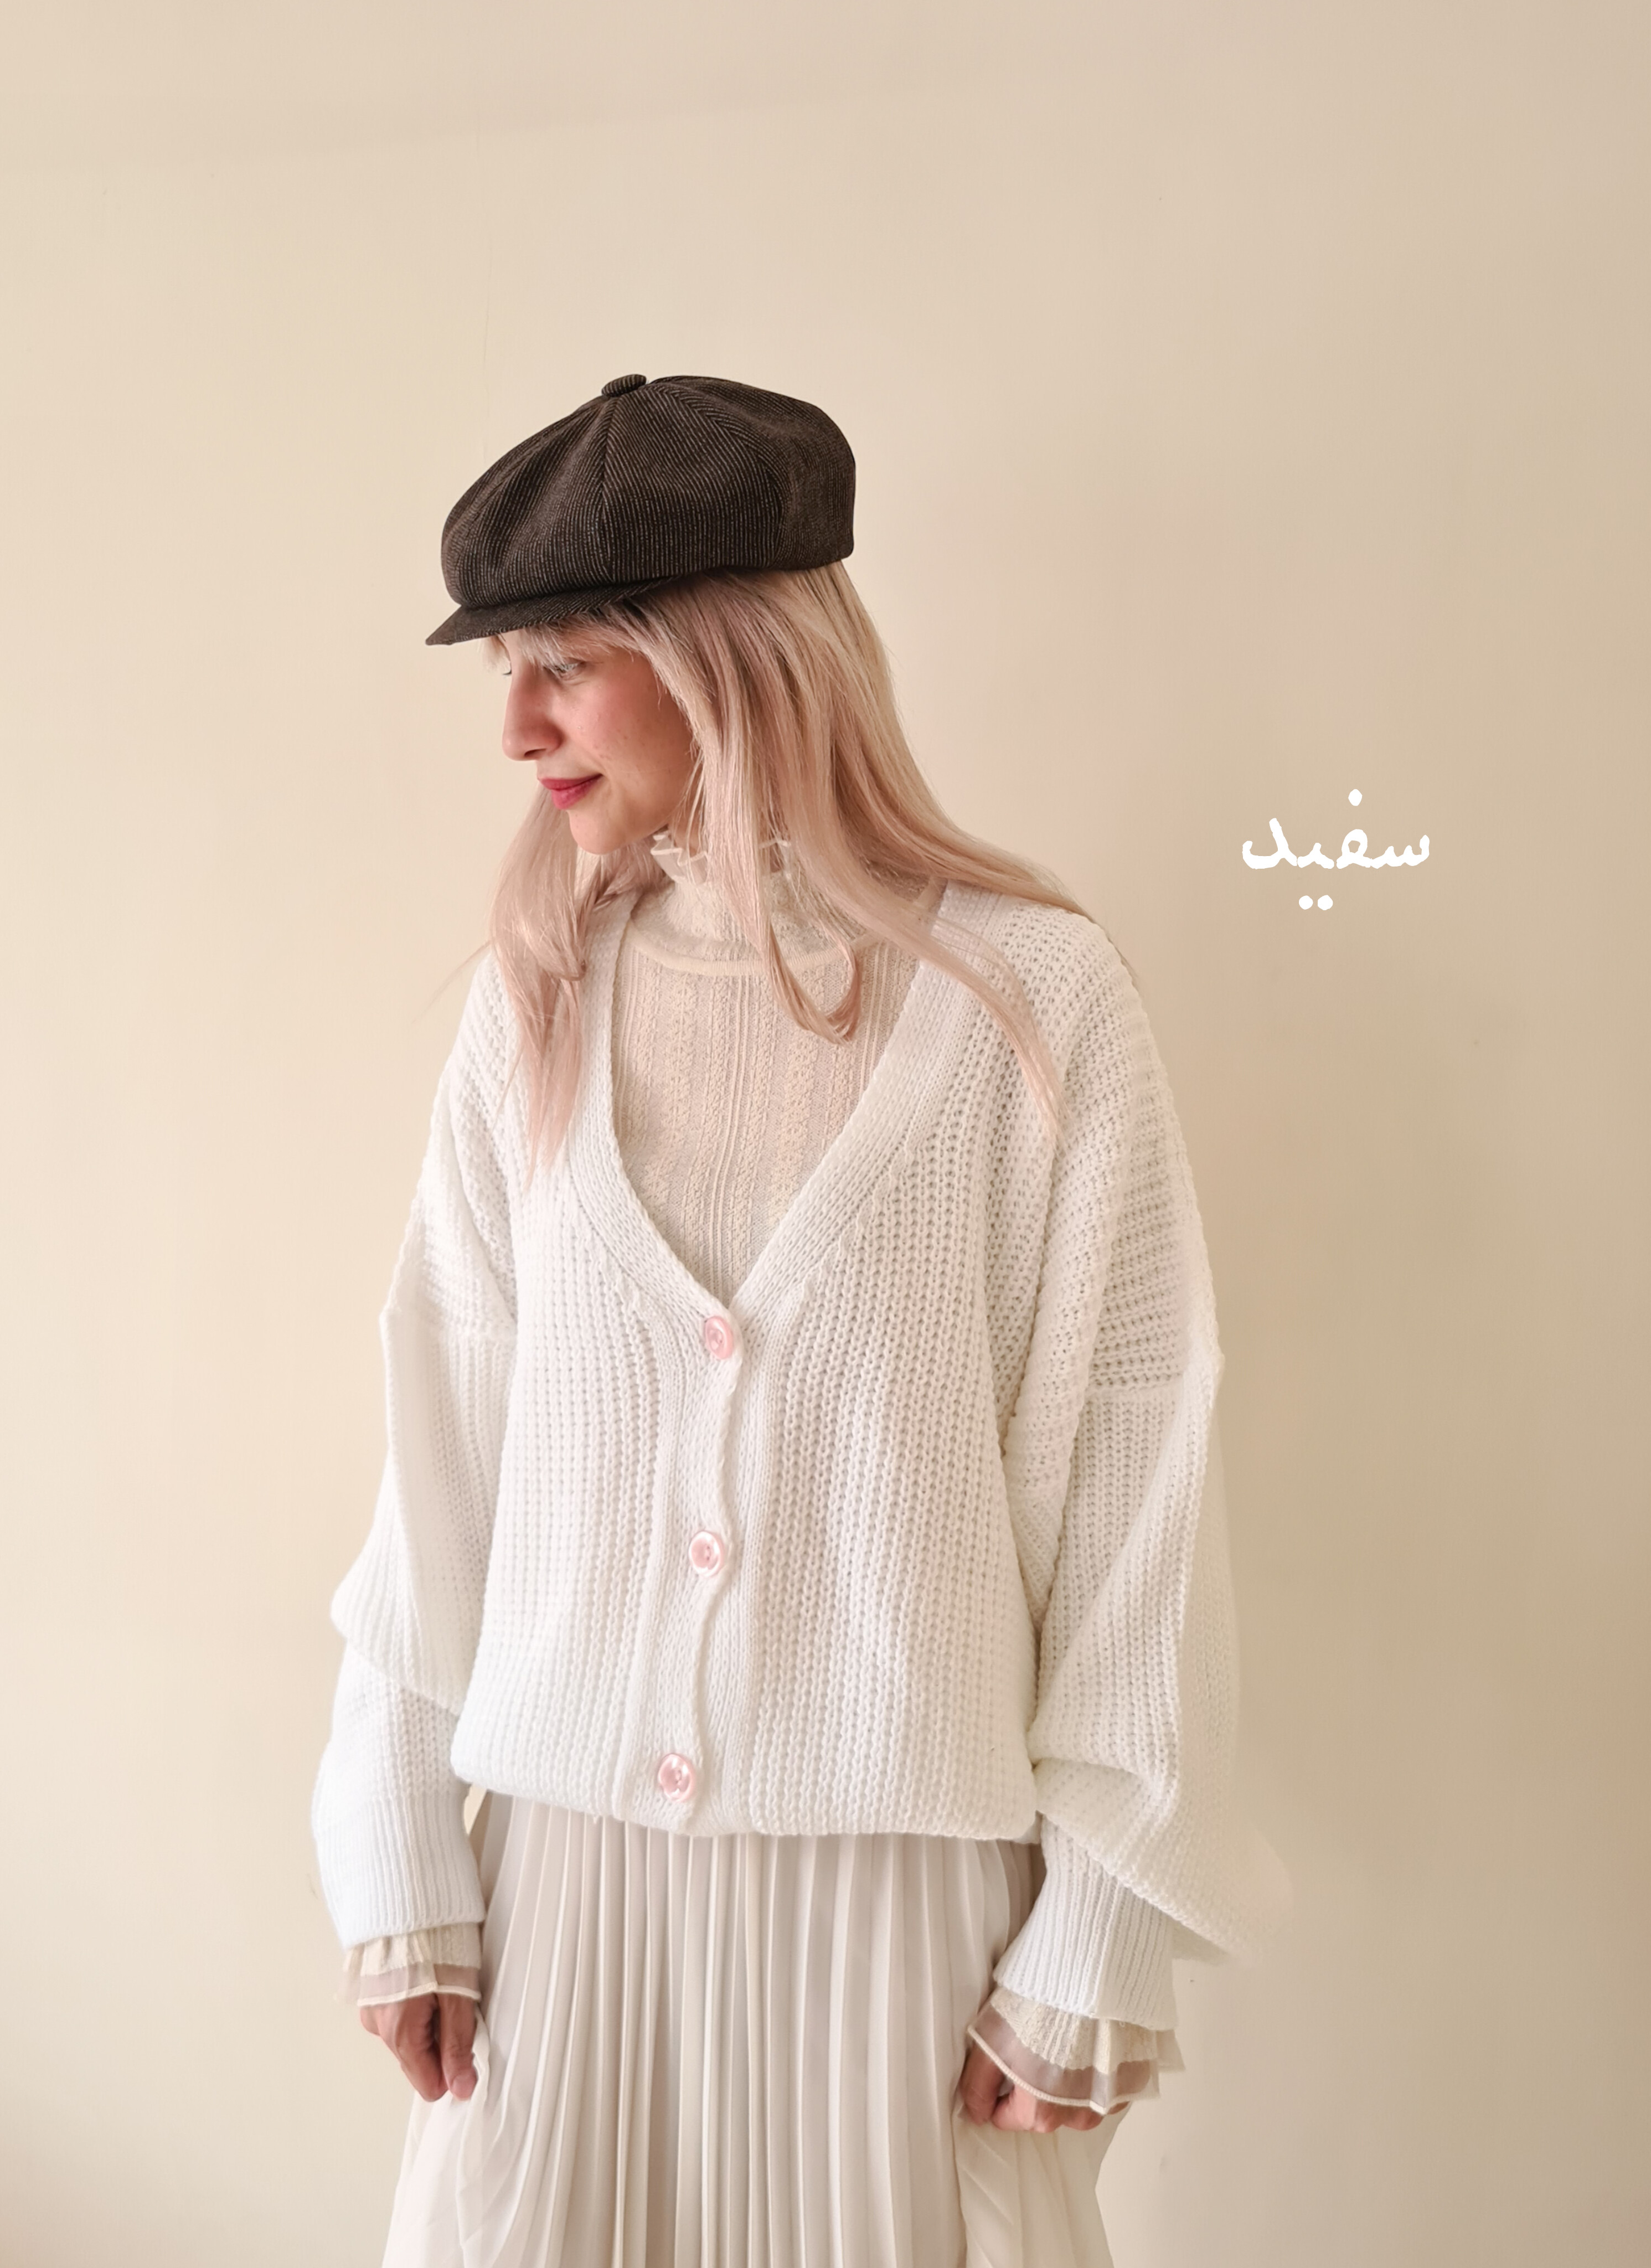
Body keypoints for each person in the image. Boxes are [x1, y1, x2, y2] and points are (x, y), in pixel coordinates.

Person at [311, 372, 1287, 2267]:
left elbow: (1133, 1470)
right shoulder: (537, 1005)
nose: (515, 727)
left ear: (734, 660)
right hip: (565, 1918)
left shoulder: (1032, 1005)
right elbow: (442, 1445)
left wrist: (1100, 1927)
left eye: (564, 663)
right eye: (505, 670)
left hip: (908, 1933)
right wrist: (403, 1847)